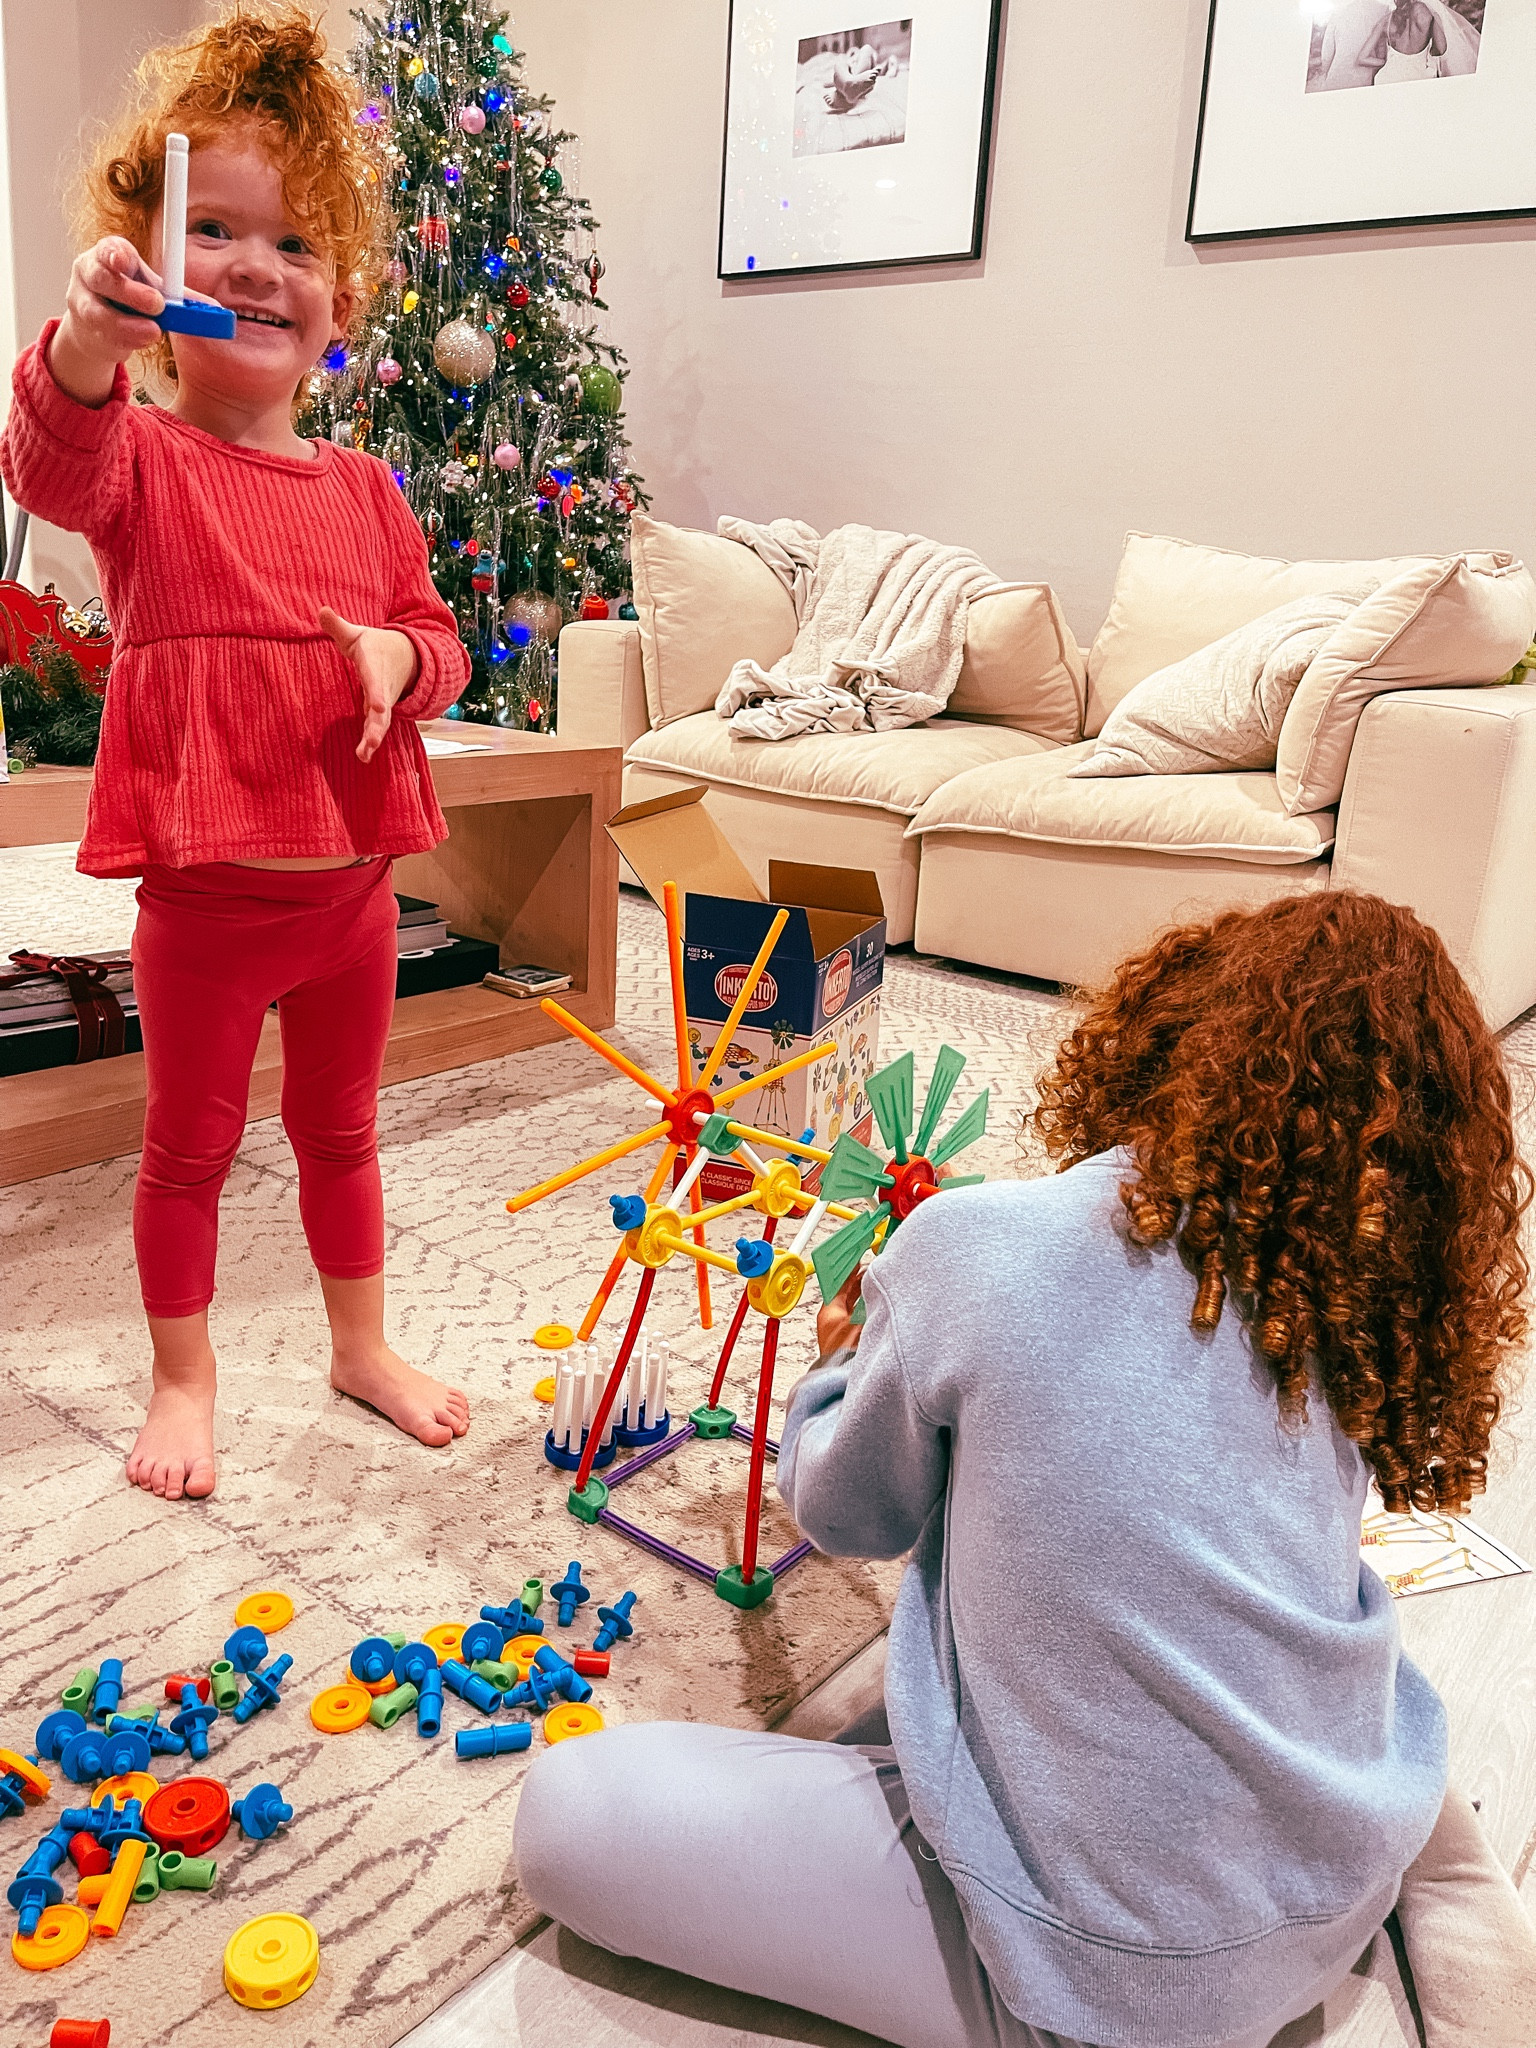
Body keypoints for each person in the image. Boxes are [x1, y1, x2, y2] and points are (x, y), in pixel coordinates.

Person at [515, 891, 1531, 2048]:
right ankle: (1424, 1868)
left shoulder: (978, 1241)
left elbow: (845, 1508)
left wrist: (839, 1362)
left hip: (1095, 1985)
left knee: (569, 1810)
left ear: (1169, 1027)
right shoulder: (1341, 1307)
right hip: (1323, 1902)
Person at [0, 7, 472, 1502]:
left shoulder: (372, 490)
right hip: (206, 905)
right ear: (153, 261)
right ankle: (185, 1376)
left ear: (344, 295)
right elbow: (47, 457)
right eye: (213, 229)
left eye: (297, 245)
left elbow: (438, 633)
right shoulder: (141, 458)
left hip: (352, 902)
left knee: (343, 1134)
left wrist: (407, 657)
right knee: (187, 1153)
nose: (258, 267)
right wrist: (84, 342)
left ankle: (360, 1343)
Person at [1377, 0, 1448, 81]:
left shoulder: (1390, 17)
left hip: (1390, 75)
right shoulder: (1427, 12)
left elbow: (1381, 54)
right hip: (1419, 74)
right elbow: (1441, 49)